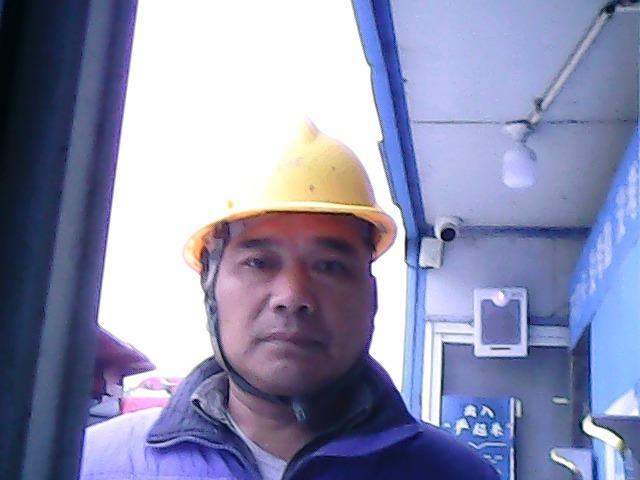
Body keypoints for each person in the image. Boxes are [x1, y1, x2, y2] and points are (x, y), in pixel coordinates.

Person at [80, 121, 498, 480]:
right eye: (259, 262)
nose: (293, 297)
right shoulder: (95, 464)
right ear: (210, 286)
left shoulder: (456, 474)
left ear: (371, 298)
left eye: (330, 266)